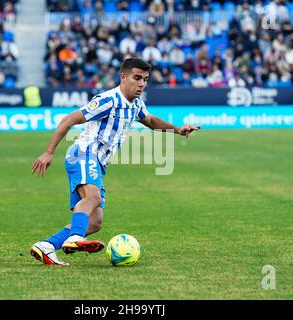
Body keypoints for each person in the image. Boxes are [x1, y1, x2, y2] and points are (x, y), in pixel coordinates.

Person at [30, 58, 200, 266]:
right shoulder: (108, 100)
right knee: (92, 197)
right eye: (136, 78)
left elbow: (151, 120)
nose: (141, 84)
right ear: (123, 77)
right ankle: (75, 238)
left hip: (98, 163)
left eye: (145, 80)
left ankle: (46, 246)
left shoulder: (136, 104)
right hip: (84, 153)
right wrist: (48, 153)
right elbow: (69, 119)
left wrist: (178, 130)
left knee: (95, 221)